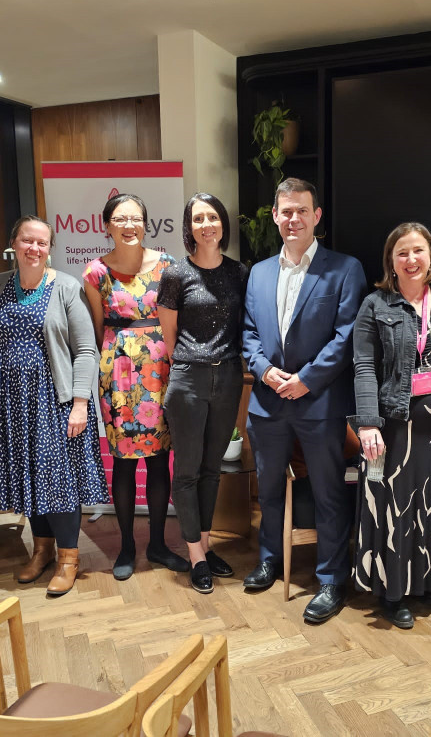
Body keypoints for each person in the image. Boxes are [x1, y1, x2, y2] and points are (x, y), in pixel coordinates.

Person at [242, 177, 367, 623]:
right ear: (275, 216)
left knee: (330, 493)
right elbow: (249, 333)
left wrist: (307, 379)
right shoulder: (257, 272)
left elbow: (347, 334)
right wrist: (263, 369)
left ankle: (332, 578)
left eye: (302, 210)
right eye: (285, 211)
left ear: (317, 216)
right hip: (267, 402)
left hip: (319, 405)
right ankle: (270, 558)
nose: (293, 218)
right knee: (270, 489)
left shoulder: (344, 268)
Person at [0, 216, 106, 596]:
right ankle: (42, 549)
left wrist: (80, 402)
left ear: (50, 248)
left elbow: (85, 350)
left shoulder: (65, 287)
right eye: (26, 241)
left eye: (42, 243)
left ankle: (69, 558)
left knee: (57, 479)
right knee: (30, 476)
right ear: (13, 243)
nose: (34, 248)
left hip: (55, 399)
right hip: (10, 398)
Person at [351, 222, 431, 629]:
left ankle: (428, 579)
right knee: (394, 507)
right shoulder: (375, 305)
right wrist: (367, 424)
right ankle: (392, 591)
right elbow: (364, 366)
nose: (411, 259)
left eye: (419, 251)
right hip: (393, 428)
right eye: (402, 253)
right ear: (391, 262)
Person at [83, 193, 188, 580]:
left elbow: (176, 322)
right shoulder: (95, 273)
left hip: (162, 369)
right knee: (124, 463)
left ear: (146, 224)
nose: (129, 226)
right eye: (121, 219)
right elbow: (97, 330)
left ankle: (158, 544)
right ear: (107, 225)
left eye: (136, 218)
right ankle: (127, 545)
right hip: (119, 375)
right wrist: (114, 365)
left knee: (161, 458)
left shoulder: (169, 266)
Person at [158, 193, 248, 594]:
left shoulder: (238, 273)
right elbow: (170, 336)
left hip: (228, 378)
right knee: (188, 470)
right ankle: (196, 555)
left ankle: (206, 547)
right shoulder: (175, 275)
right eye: (198, 218)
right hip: (189, 378)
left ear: (222, 223)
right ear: (189, 227)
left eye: (213, 216)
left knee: (213, 470)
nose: (206, 224)